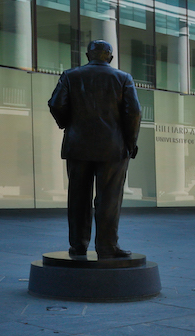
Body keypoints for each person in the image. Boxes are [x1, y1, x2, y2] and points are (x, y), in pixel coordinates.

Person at [48, 40, 141, 259]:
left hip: (78, 145)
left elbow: (56, 104)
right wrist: (130, 142)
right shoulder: (123, 78)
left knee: (78, 197)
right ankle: (107, 246)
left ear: (88, 55)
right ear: (110, 57)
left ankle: (78, 245)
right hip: (113, 147)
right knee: (109, 198)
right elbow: (134, 113)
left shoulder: (70, 76)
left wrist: (68, 125)